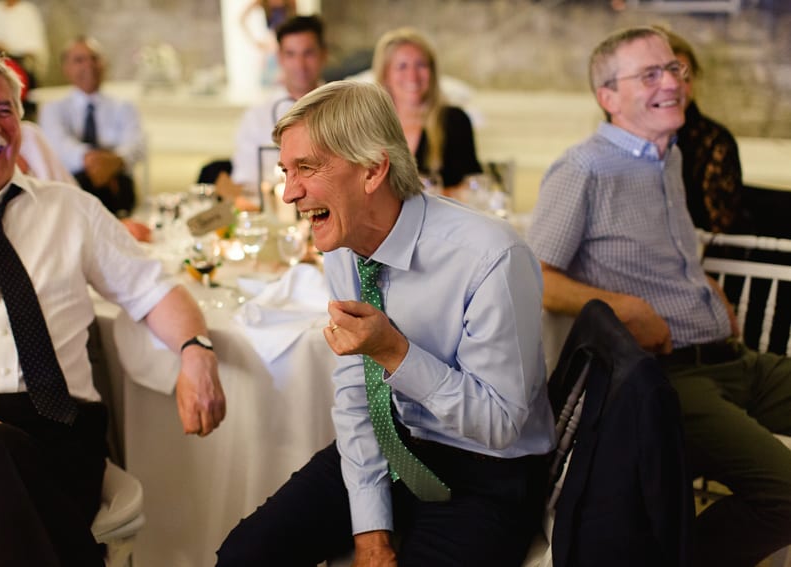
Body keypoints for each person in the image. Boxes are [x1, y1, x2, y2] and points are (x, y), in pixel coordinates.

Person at [216, 80, 554, 566]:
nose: (290, 193)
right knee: (242, 557)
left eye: (306, 168)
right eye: (286, 171)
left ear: (373, 170)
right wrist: (370, 528)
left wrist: (394, 352)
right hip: (389, 442)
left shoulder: (490, 257)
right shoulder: (343, 240)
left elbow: (500, 426)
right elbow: (358, 392)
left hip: (485, 472)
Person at [0, 50, 225, 564]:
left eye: (4, 110)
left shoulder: (70, 209)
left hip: (62, 434)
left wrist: (196, 349)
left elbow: (152, 289)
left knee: (15, 478)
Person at [526, 26, 791, 566]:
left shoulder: (666, 157)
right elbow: (537, 279)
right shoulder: (583, 169)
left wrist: (703, 287)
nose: (671, 82)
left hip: (733, 360)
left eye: (674, 69)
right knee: (787, 496)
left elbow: (667, 255)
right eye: (650, 74)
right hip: (668, 378)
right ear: (608, 96)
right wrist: (624, 308)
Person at [39, 36, 146, 220]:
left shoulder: (124, 107)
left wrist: (115, 162)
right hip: (71, 189)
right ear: (66, 68)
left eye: (94, 58)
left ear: (104, 64)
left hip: (118, 187)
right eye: (79, 60)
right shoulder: (53, 109)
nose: (89, 65)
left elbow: (136, 144)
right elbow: (59, 146)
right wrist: (93, 160)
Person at [223, 14, 327, 202]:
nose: (300, 65)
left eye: (308, 53)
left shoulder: (345, 112)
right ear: (279, 57)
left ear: (323, 54)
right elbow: (245, 181)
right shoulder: (256, 118)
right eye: (291, 54)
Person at [372, 27, 482, 191]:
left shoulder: (455, 121)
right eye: (402, 66)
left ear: (432, 71)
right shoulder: (369, 126)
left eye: (421, 65)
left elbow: (473, 188)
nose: (412, 75)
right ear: (385, 74)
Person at [662, 27, 746, 234]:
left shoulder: (715, 142)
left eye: (686, 79)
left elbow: (721, 233)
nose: (676, 87)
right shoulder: (626, 141)